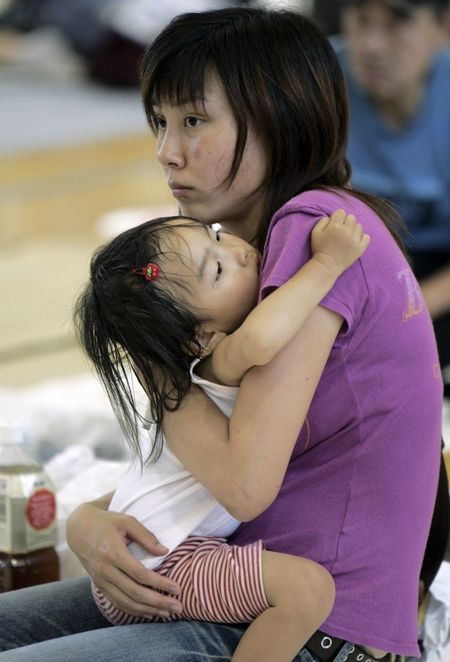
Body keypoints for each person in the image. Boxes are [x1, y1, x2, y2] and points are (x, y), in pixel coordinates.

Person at [0, 7, 442, 661]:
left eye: (194, 121)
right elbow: (196, 475)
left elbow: (241, 483)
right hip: (234, 589)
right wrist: (92, 522)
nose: (166, 152)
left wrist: (155, 359)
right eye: (161, 123)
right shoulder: (271, 246)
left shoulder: (311, 228)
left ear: (277, 119)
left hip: (311, 632)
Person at [74, 210, 368, 661]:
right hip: (163, 563)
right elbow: (261, 340)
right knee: (307, 592)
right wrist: (327, 264)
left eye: (215, 235)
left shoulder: (189, 380)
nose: (238, 249)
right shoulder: (214, 362)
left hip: (139, 556)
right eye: (217, 269)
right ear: (201, 338)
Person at [334, 0, 450, 596]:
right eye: (359, 18)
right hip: (350, 264)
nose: (372, 43)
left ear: (442, 26)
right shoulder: (320, 81)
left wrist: (403, 317)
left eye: (398, 19)